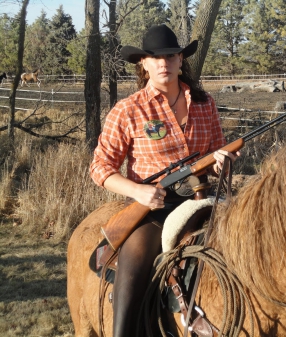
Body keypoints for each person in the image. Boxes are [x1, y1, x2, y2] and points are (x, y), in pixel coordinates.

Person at [90, 24, 239, 337]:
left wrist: (221, 163)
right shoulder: (128, 111)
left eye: (171, 55)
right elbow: (101, 167)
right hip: (154, 208)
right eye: (154, 57)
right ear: (143, 63)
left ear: (181, 59)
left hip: (204, 201)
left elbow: (215, 157)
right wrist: (138, 192)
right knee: (133, 269)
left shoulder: (205, 103)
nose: (164, 63)